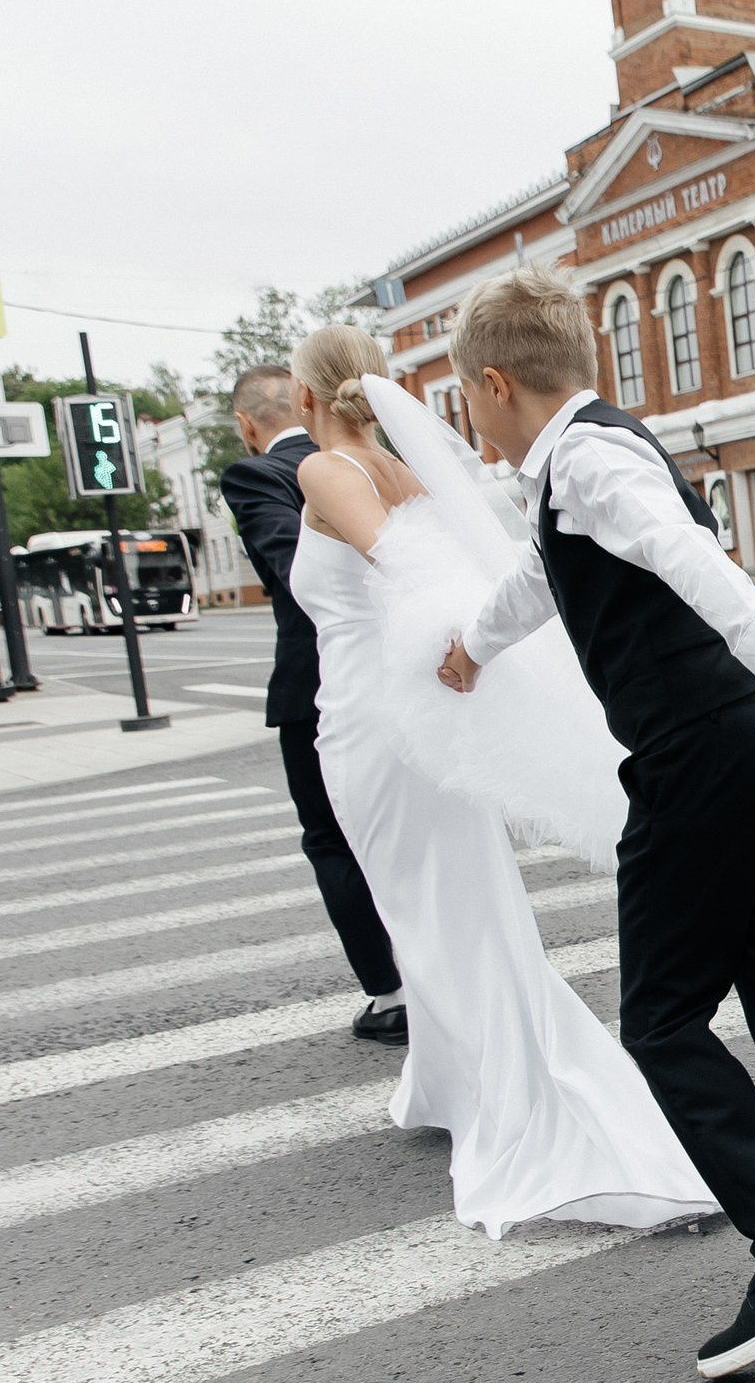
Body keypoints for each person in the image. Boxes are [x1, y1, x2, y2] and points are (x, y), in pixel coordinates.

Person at [436, 267, 755, 1381]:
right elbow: (536, 578)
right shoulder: (584, 459)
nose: (468, 420)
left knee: (660, 1022)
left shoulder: (594, 462)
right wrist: (473, 643)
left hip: (703, 752)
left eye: (466, 399)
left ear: (496, 383)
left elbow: (686, 557)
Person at [280, 323, 720, 1241]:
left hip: (372, 721)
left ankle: (507, 1103)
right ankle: (451, 1078)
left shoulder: (328, 470)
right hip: (412, 722)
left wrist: (455, 651)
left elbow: (400, 566)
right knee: (459, 907)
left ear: (307, 396)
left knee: (428, 912)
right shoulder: (400, 468)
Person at [219, 364, 405, 1045]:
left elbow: (287, 562)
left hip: (329, 685)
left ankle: (392, 992)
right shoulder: (384, 460)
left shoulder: (262, 475)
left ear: (247, 424)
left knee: (331, 838)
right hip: (410, 673)